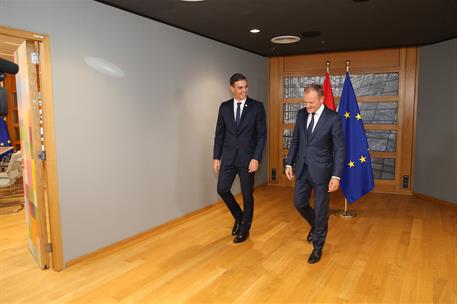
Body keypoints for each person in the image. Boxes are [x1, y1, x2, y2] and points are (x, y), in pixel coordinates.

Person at [285, 84, 345, 263]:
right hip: (302, 168)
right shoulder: (301, 114)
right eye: (305, 102)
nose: (307, 106)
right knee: (299, 203)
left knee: (321, 210)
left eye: (311, 102)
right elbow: (295, 140)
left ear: (321, 100)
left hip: (322, 171)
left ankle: (318, 246)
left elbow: (339, 149)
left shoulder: (333, 118)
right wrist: (289, 163)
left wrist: (336, 176)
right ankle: (315, 225)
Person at [213, 73, 266, 243]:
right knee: (222, 189)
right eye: (240, 87)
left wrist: (256, 158)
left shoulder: (257, 107)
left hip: (247, 159)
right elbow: (219, 134)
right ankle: (239, 216)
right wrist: (216, 157)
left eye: (246, 86)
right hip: (228, 158)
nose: (244, 90)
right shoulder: (224, 107)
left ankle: (245, 228)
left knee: (247, 194)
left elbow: (261, 136)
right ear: (232, 89)